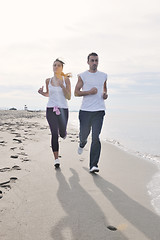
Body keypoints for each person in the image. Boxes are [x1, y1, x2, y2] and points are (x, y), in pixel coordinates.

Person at [74, 52, 108, 173]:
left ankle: (93, 165)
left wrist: (105, 95)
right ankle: (82, 143)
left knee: (96, 137)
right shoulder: (82, 76)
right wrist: (89, 92)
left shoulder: (104, 76)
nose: (94, 63)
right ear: (88, 62)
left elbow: (104, 90)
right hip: (85, 111)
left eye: (96, 60)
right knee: (84, 135)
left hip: (99, 111)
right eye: (92, 60)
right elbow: (76, 92)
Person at [38, 59, 71, 168]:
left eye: (58, 65)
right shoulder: (48, 80)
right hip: (50, 109)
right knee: (54, 133)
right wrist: (42, 93)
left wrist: (62, 86)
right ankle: (56, 159)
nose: (56, 67)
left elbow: (69, 97)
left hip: (63, 110)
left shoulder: (66, 80)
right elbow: (49, 94)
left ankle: (63, 133)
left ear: (62, 68)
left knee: (61, 133)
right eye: (54, 65)